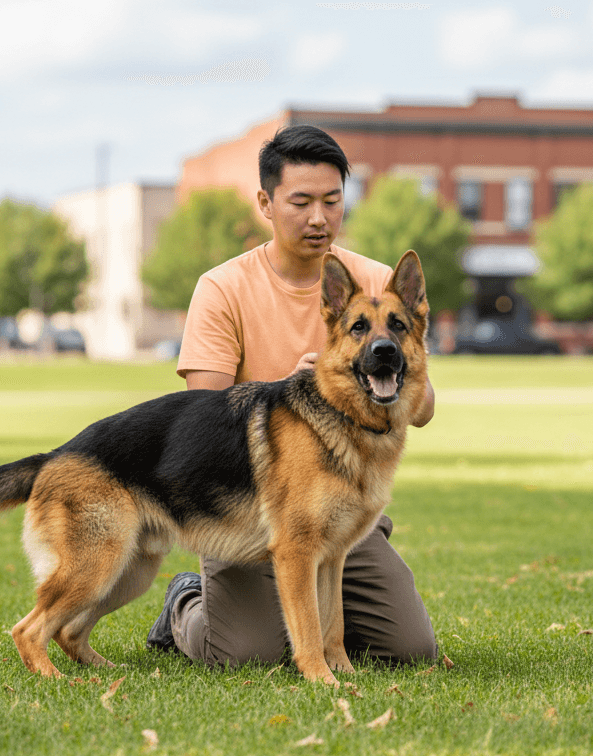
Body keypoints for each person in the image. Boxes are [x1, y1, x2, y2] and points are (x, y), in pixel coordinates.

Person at [145, 124, 438, 668]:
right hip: (247, 512)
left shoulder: (377, 286)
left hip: (341, 515)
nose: (319, 218)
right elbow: (203, 412)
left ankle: (327, 629)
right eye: (301, 202)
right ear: (266, 202)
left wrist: (376, 379)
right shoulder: (223, 287)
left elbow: (421, 408)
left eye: (332, 201)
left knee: (412, 649)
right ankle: (185, 601)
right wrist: (300, 386)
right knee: (246, 654)